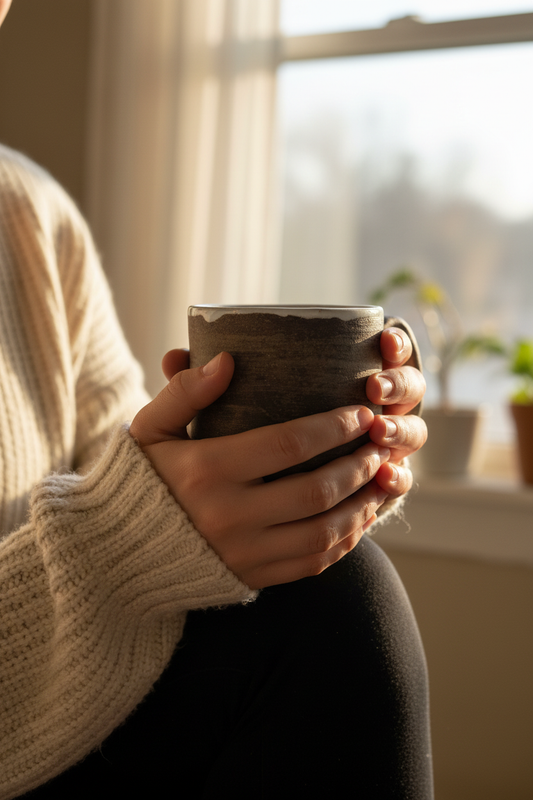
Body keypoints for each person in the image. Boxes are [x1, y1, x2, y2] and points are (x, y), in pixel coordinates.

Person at [0, 3, 430, 797]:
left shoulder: (27, 217)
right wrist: (123, 547)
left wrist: (334, 468)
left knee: (332, 589)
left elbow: (115, 481)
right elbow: (113, 538)